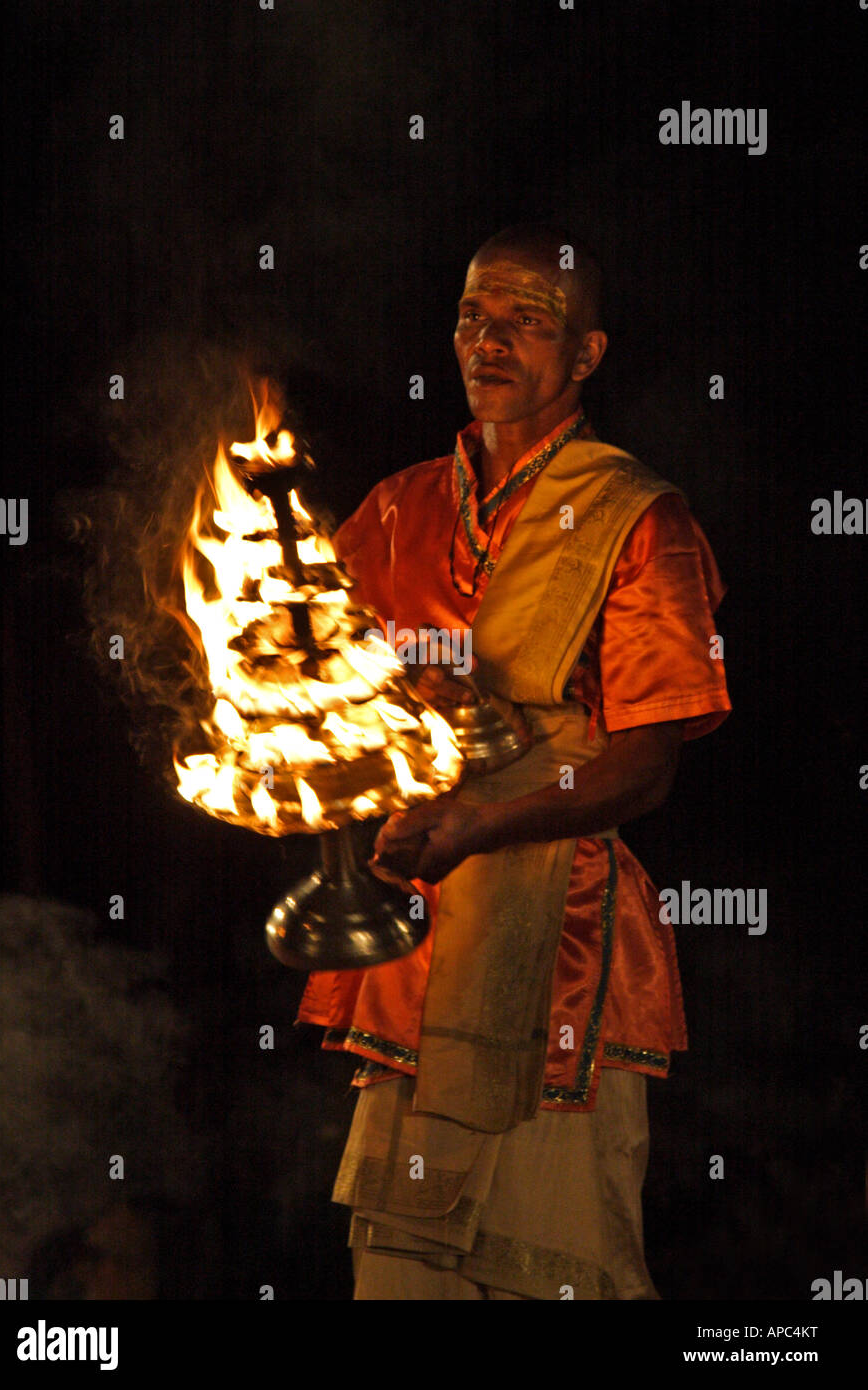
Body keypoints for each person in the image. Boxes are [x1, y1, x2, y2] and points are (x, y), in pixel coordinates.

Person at [296, 221, 731, 1300]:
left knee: (556, 1277)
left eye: (525, 322)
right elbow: (319, 699)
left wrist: (484, 822)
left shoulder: (638, 518)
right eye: (472, 319)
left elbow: (645, 761)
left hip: (563, 956)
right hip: (412, 965)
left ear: (585, 355)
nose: (489, 343)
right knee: (402, 1274)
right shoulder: (397, 512)